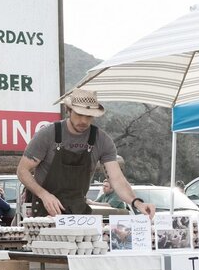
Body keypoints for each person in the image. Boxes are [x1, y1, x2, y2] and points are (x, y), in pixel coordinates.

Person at [16, 89, 155, 219]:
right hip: (45, 210)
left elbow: (116, 179)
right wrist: (44, 195)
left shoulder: (101, 140)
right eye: (79, 114)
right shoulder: (48, 134)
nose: (84, 121)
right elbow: (22, 170)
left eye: (89, 116)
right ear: (68, 110)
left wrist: (137, 203)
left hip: (78, 211)